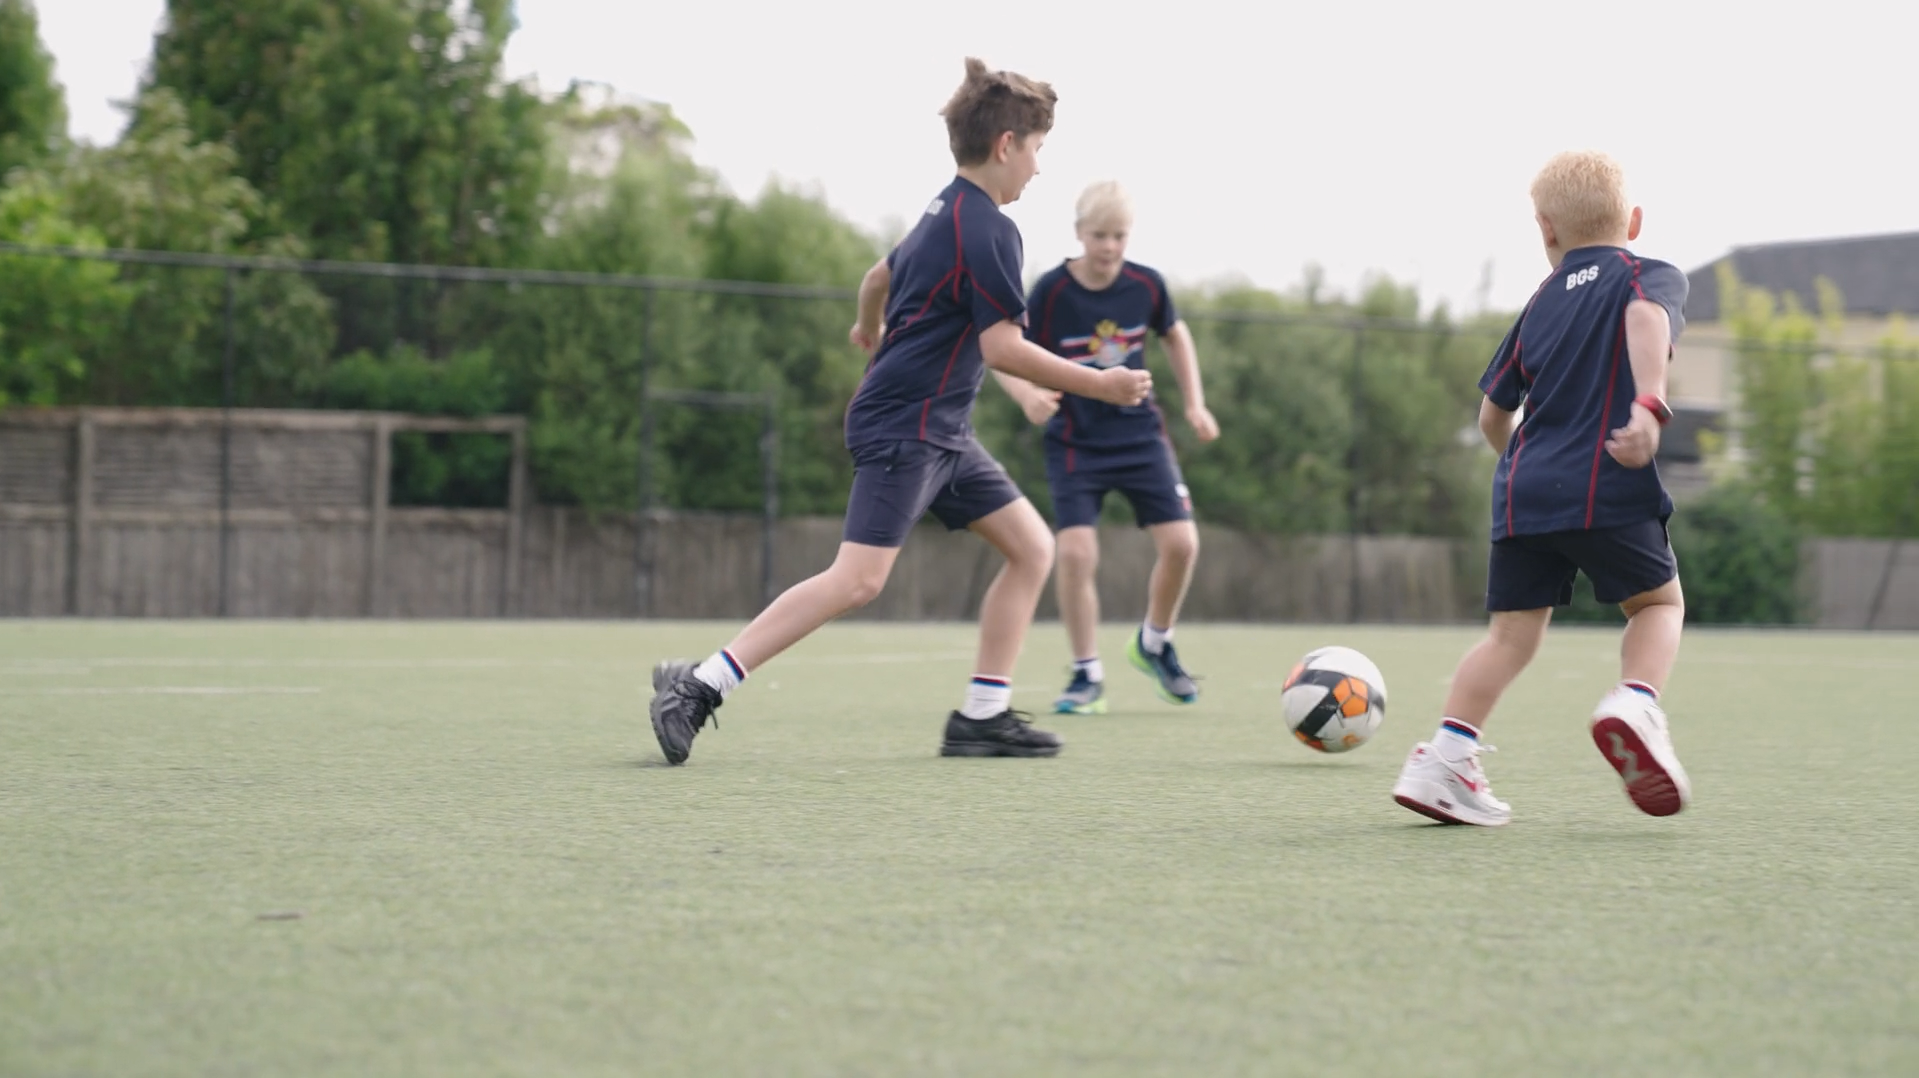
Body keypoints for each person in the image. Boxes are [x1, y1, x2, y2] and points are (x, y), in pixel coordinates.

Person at [645, 58, 1153, 765]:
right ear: (1006, 144)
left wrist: (868, 326)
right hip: (906, 426)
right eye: (1036, 149)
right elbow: (1002, 347)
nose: (1037, 168)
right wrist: (1101, 383)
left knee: (1032, 548)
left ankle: (981, 714)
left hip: (938, 428)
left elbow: (876, 276)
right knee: (858, 579)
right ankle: (698, 686)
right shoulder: (991, 231)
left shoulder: (939, 209)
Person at [1391, 150, 1693, 827]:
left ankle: (1441, 761)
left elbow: (1492, 415)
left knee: (1508, 638)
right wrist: (1647, 407)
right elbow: (1645, 321)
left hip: (1522, 490)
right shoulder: (1647, 276)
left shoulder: (1536, 304)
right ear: (1633, 221)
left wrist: (1524, 472)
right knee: (1656, 606)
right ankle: (1635, 701)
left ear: (1545, 230)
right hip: (1605, 477)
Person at [992, 181, 1217, 714]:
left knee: (1183, 546)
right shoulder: (1050, 291)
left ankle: (1154, 642)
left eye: (1119, 236)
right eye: (1099, 235)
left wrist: (1195, 403)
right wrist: (1027, 396)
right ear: (1078, 233)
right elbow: (1003, 351)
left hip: (1139, 437)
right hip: (1075, 442)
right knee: (1074, 553)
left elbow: (1176, 336)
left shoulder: (1146, 285)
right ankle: (1086, 673)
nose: (1109, 247)